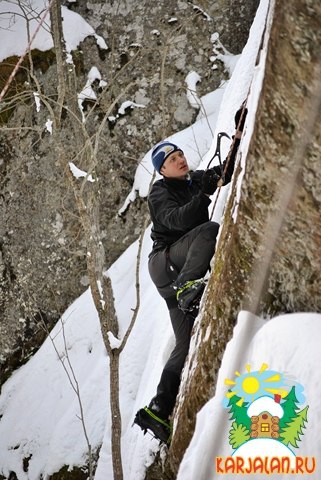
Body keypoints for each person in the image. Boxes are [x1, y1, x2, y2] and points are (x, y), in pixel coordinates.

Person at [134, 107, 247, 444]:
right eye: (172, 159)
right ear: (162, 170)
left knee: (185, 343)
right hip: (166, 265)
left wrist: (239, 135)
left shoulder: (192, 179)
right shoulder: (160, 193)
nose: (180, 159)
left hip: (177, 278)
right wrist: (200, 195)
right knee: (208, 229)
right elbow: (180, 221)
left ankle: (158, 408)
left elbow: (223, 173)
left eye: (181, 154)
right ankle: (188, 290)